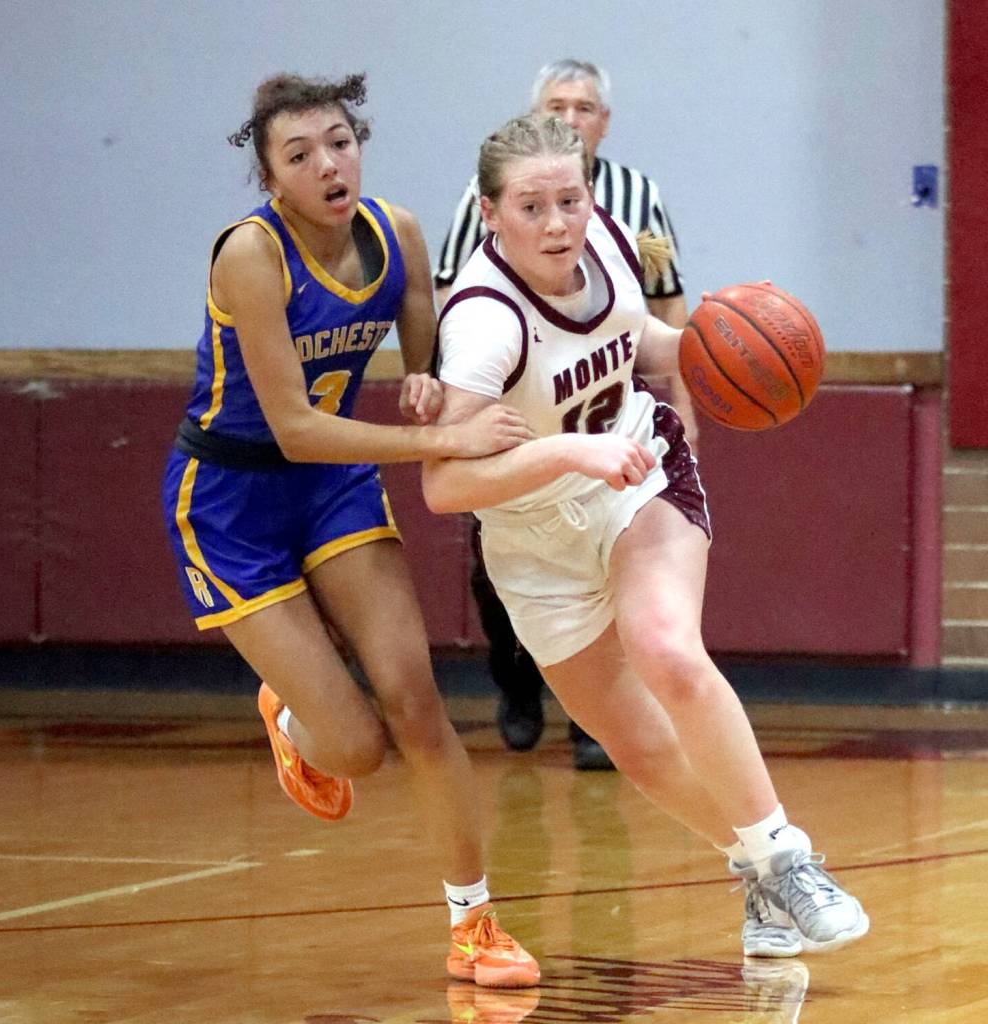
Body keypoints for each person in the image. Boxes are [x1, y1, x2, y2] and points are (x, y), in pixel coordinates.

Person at [423, 113, 869, 958]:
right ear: (489, 212)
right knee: (638, 747)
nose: (558, 223)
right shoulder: (482, 325)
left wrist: (719, 346)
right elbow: (445, 486)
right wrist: (564, 450)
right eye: (532, 206)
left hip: (637, 474)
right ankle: (761, 880)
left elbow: (638, 341)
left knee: (665, 646)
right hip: (533, 537)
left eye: (571, 198)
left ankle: (788, 859)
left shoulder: (616, 243)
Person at [160, 72, 539, 989]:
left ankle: (475, 926)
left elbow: (426, 352)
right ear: (272, 181)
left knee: (415, 699)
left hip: (331, 490)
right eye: (300, 155)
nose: (329, 163)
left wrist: (424, 380)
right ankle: (292, 715)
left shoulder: (397, 234)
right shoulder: (250, 257)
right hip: (230, 499)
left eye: (339, 140)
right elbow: (294, 425)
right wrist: (440, 435)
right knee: (358, 747)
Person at [435, 59, 697, 770]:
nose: (574, 116)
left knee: (640, 588)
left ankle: (595, 724)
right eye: (560, 105)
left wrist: (690, 388)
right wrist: (447, 393)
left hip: (608, 422)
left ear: (602, 125)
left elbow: (664, 298)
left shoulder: (636, 202)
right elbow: (447, 294)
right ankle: (517, 682)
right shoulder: (485, 203)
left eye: (585, 107)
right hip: (517, 416)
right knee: (500, 569)